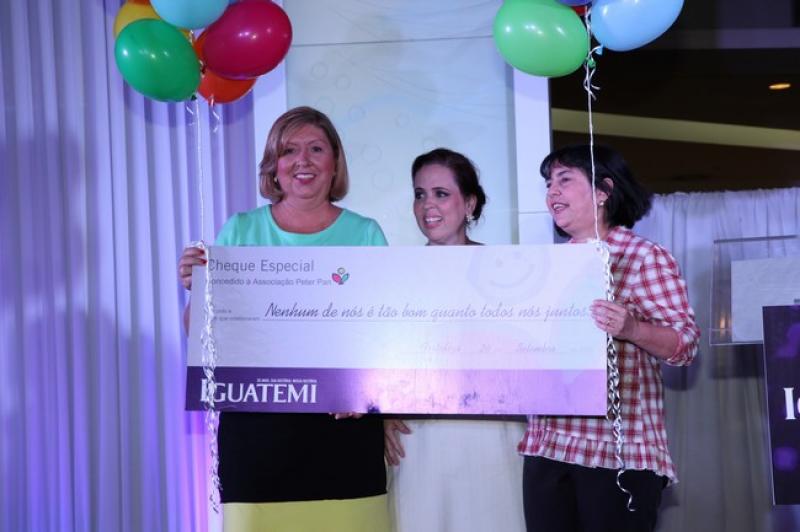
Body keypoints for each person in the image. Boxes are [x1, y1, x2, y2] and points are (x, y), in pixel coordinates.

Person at [178, 107, 390, 531]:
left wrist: (366, 390)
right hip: (258, 436)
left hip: (343, 434)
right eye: (289, 150)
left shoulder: (366, 233)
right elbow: (203, 336)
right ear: (273, 166)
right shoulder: (240, 230)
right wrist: (197, 290)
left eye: (316, 149)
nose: (303, 160)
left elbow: (386, 338)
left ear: (335, 162)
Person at [519, 145, 700, 532]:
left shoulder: (642, 256)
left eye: (564, 180)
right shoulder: (546, 266)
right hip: (548, 446)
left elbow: (685, 345)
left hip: (618, 451)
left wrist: (632, 329)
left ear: (603, 191)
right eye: (548, 184)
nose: (552, 192)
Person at [384, 148, 527, 532]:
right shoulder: (394, 274)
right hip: (419, 440)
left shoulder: (508, 273)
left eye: (441, 194)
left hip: (493, 435)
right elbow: (381, 358)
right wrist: (381, 414)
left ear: (470, 203)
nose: (427, 205)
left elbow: (527, 358)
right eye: (419, 194)